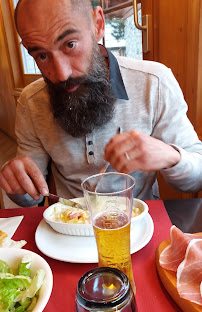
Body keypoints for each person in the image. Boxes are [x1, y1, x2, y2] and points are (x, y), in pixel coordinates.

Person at [0, 0, 202, 207]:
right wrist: (17, 186)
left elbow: (196, 178)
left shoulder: (155, 82)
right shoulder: (30, 101)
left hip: (137, 224)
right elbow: (29, 196)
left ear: (98, 24)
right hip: (67, 224)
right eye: (42, 56)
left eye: (70, 44)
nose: (62, 74)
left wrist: (172, 156)